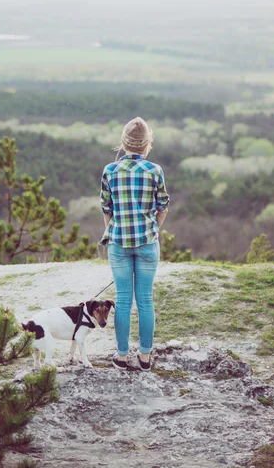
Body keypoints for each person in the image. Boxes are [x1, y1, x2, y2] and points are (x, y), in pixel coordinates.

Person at [100, 117, 169, 371]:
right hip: (147, 243)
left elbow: (106, 208)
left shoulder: (110, 171)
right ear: (147, 143)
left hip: (118, 243)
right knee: (145, 301)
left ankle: (121, 356)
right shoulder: (155, 171)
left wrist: (115, 229)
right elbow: (163, 207)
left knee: (123, 299)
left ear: (124, 142)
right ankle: (145, 357)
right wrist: (151, 230)